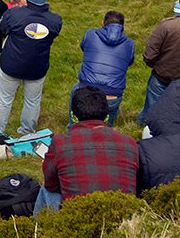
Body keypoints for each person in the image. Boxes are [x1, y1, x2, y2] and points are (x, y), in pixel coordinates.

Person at [34, 86, 139, 214]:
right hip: (124, 218)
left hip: (78, 218)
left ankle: (38, 230)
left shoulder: (60, 143)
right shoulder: (129, 143)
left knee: (46, 190)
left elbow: (50, 184)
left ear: (73, 115)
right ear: (106, 115)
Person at [0, 0, 62, 137]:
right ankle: (28, 132)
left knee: (4, 100)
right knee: (32, 101)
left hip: (11, 65)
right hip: (37, 68)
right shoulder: (55, 21)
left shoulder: (13, 14)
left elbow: (2, 28)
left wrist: (22, 7)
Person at [72, 11, 135, 126]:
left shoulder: (90, 34)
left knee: (75, 91)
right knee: (105, 130)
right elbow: (129, 62)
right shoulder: (129, 44)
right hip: (112, 96)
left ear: (102, 23)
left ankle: (73, 127)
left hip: (85, 93)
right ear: (122, 27)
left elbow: (83, 47)